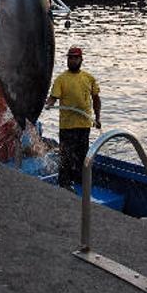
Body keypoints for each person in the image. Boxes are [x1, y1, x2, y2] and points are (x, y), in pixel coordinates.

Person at [45, 47, 101, 188]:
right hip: (67, 126)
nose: (73, 60)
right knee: (66, 157)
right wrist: (48, 104)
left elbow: (96, 99)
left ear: (81, 60)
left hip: (84, 124)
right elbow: (53, 98)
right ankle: (64, 184)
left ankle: (81, 182)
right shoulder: (61, 79)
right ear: (67, 60)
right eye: (70, 58)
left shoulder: (89, 78)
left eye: (75, 58)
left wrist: (98, 118)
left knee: (83, 156)